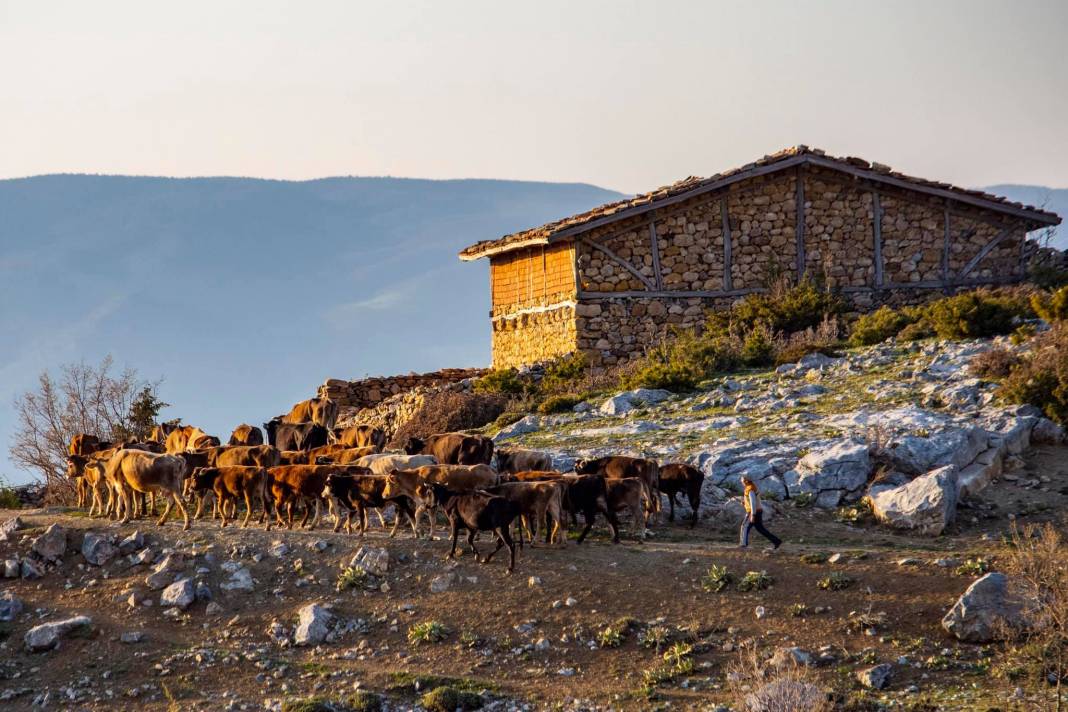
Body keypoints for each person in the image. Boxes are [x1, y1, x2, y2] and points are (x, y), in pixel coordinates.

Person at [739, 476, 781, 550]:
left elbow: (753, 502)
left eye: (742, 481)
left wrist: (753, 515)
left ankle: (743, 545)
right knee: (760, 529)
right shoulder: (752, 487)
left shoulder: (750, 489)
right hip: (758, 511)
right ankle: (776, 541)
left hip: (753, 512)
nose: (741, 482)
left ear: (746, 481)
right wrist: (745, 503)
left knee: (744, 526)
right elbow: (753, 501)